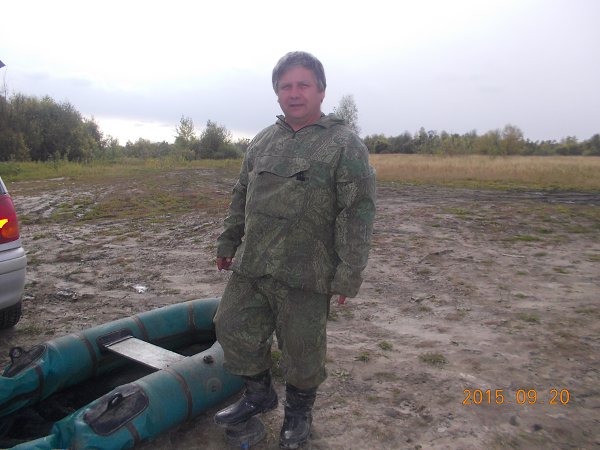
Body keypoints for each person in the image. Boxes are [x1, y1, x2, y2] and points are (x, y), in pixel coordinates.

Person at [213, 51, 376, 449]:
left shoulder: (344, 144)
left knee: (303, 351)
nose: (294, 93)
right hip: (254, 263)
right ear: (277, 93)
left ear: (321, 90)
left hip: (307, 270)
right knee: (230, 325)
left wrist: (349, 271)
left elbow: (357, 211)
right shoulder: (262, 141)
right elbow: (241, 194)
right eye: (285, 86)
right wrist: (229, 239)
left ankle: (298, 415)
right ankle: (259, 394)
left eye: (303, 84)